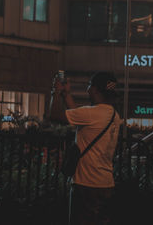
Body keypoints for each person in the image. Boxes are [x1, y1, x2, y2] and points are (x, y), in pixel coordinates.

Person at [49, 72, 122, 225]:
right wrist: (67, 94)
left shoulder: (92, 113)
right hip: (106, 184)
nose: (87, 89)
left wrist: (55, 91)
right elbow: (77, 114)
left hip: (86, 184)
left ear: (95, 90)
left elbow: (54, 114)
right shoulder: (113, 115)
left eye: (89, 86)